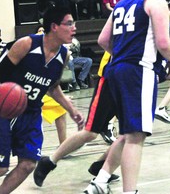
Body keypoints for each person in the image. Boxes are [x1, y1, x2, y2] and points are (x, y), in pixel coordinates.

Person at [0, 0, 84, 194]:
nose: (74, 28)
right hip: (7, 110)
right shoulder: (27, 44)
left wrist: (71, 110)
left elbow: (53, 86)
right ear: (54, 27)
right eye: (69, 23)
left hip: (31, 113)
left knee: (28, 164)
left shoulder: (64, 55)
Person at [82, 0, 170, 192]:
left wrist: (124, 56)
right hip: (137, 71)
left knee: (127, 133)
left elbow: (103, 40)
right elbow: (163, 43)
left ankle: (99, 181)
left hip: (115, 70)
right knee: (136, 136)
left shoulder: (123, 2)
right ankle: (129, 191)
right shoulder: (156, 1)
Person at [33, 49, 119, 189]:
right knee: (91, 132)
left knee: (132, 134)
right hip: (113, 79)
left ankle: (102, 166)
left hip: (133, 80)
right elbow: (104, 40)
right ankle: (49, 161)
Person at [35, 24, 69, 144]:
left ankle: (63, 144)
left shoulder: (58, 52)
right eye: (39, 31)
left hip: (42, 89)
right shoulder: (33, 46)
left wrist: (62, 98)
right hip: (26, 90)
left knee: (60, 109)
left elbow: (52, 83)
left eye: (43, 31)